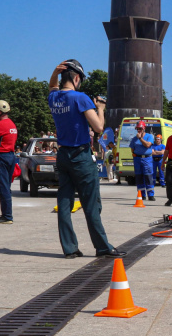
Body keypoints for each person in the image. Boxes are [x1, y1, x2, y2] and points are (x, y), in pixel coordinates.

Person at [48, 59, 126, 258]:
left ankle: (70, 248)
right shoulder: (80, 98)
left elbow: (52, 87)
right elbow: (99, 127)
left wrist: (54, 73)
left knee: (65, 202)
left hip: (63, 154)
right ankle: (102, 247)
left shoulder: (54, 98)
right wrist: (100, 107)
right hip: (81, 156)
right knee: (92, 203)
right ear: (76, 78)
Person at [129, 120, 155, 201]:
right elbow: (132, 149)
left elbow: (147, 145)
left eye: (140, 129)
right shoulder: (134, 139)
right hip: (137, 159)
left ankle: (150, 195)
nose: (138, 130)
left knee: (148, 176)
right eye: (137, 129)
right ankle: (141, 194)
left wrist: (140, 138)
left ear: (144, 128)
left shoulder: (149, 136)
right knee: (139, 176)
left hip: (147, 158)